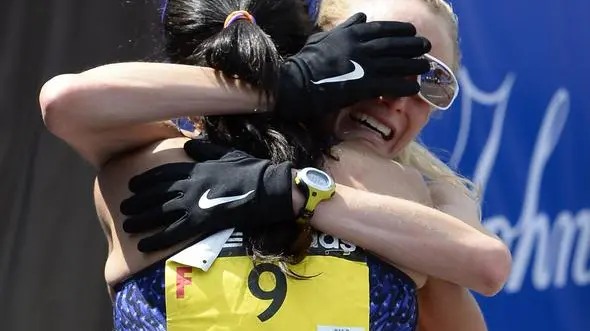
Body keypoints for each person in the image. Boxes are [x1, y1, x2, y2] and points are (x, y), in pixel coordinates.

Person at [38, 0, 511, 330]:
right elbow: (64, 100)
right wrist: (286, 84)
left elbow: (487, 266)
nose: (396, 97)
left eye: (432, 81)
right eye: (370, 60)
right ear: (319, 49)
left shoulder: (424, 197)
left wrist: (293, 191)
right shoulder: (407, 199)